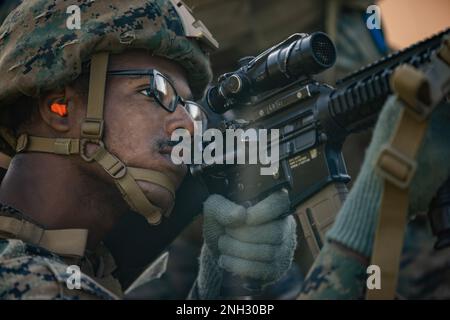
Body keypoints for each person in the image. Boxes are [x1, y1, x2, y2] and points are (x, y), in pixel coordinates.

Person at [0, 0, 297, 299]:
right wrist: (346, 245)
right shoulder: (37, 284)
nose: (188, 126)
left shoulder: (69, 271)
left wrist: (218, 283)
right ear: (60, 109)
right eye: (154, 91)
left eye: (189, 107)